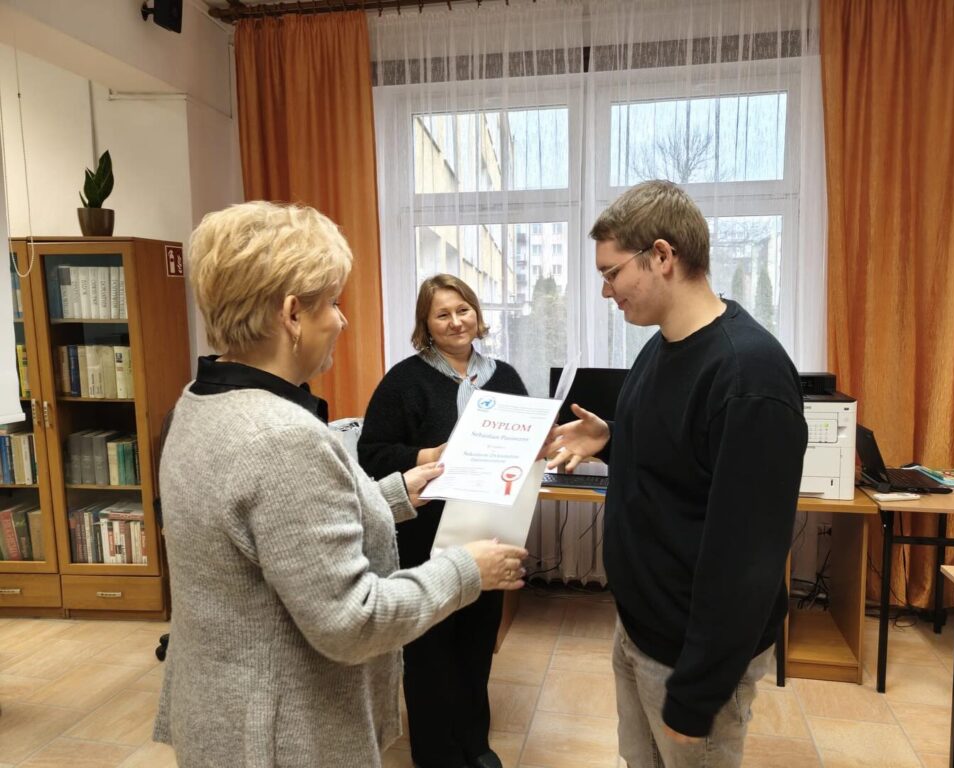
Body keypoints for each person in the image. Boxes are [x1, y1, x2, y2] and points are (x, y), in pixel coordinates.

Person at [152, 202, 528, 768]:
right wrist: (467, 569)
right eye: (332, 302)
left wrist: (396, 492)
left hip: (222, 712)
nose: (342, 320)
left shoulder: (199, 400)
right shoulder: (282, 437)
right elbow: (353, 621)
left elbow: (277, 531)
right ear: (292, 314)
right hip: (280, 736)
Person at [545, 180, 807, 768]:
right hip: (641, 629)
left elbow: (747, 559)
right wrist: (612, 439)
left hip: (690, 657)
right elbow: (680, 462)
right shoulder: (662, 345)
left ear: (661, 256)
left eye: (612, 273)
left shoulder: (749, 377)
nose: (607, 291)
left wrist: (695, 695)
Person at [359, 274, 528, 768]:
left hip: (487, 532)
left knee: (477, 642)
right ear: (426, 325)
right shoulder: (404, 381)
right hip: (423, 538)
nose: (456, 322)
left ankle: (475, 744)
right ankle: (435, 754)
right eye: (442, 314)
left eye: (463, 310)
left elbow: (524, 441)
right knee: (429, 649)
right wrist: (427, 455)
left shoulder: (504, 377)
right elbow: (372, 454)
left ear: (477, 314)